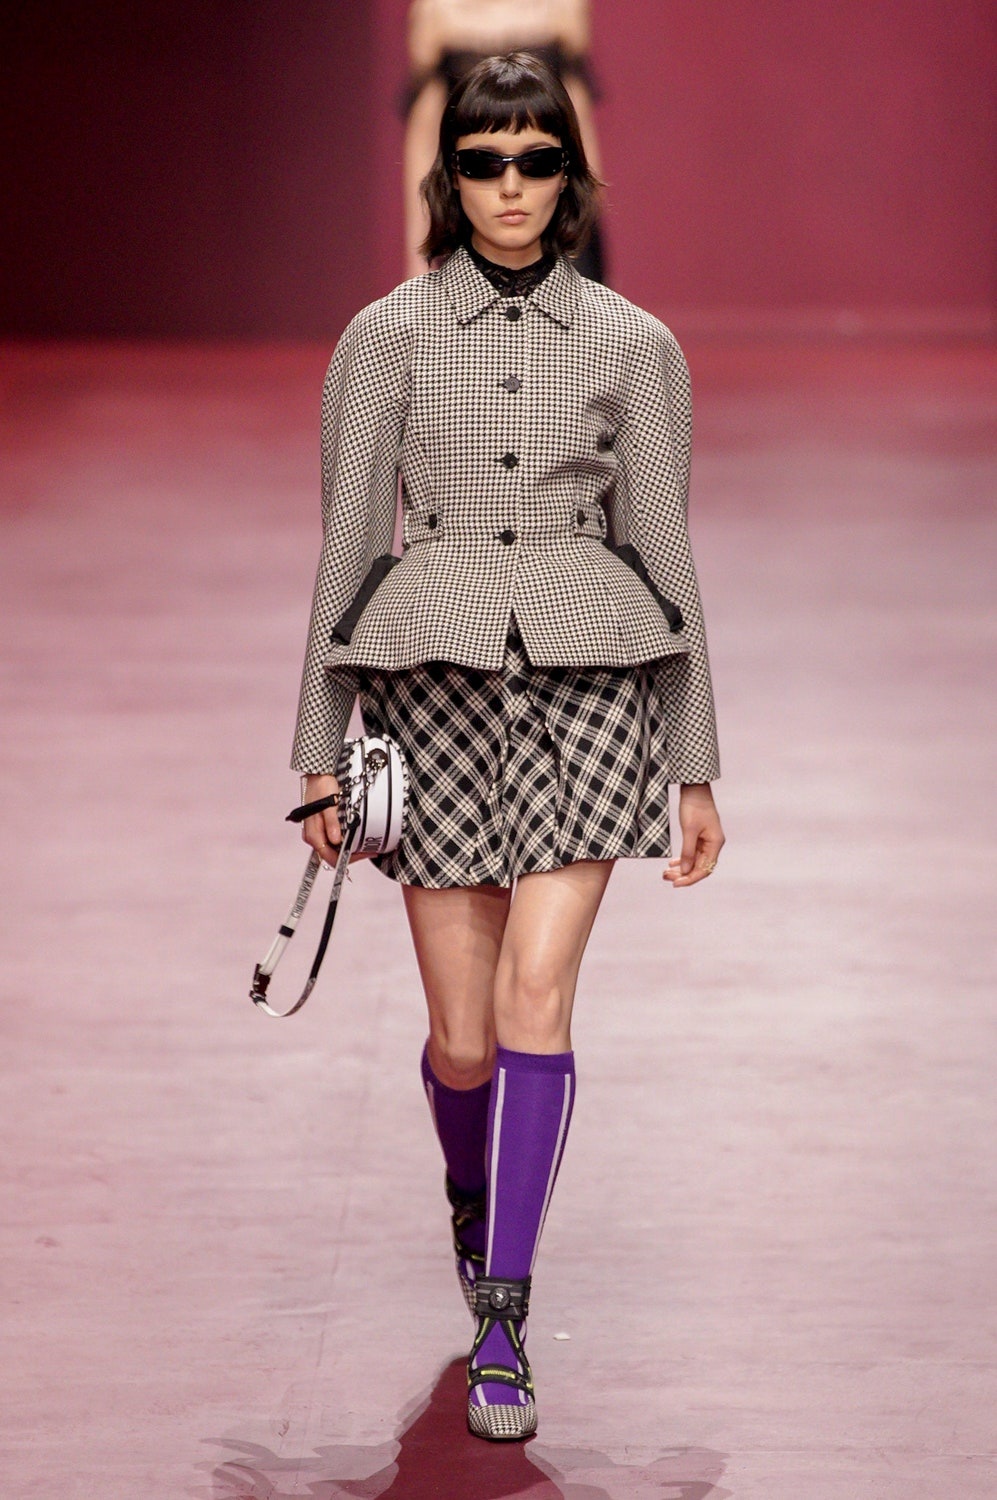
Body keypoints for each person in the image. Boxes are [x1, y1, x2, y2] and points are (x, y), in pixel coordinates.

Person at [291, 52, 724, 1442]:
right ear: (451, 178)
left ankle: (504, 1318)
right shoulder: (385, 337)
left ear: (571, 176)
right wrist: (315, 753)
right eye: (485, 163)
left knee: (541, 1000)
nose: (513, 186)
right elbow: (348, 547)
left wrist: (695, 763)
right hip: (434, 694)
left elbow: (666, 555)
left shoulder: (636, 345)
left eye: (537, 160)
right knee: (462, 1042)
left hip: (592, 691)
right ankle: (473, 1199)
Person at [403, 0, 607, 281]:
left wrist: (587, 209)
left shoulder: (564, 7)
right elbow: (424, 140)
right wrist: (417, 249)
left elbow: (578, 123)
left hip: (552, 208)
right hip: (472, 216)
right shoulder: (436, 11)